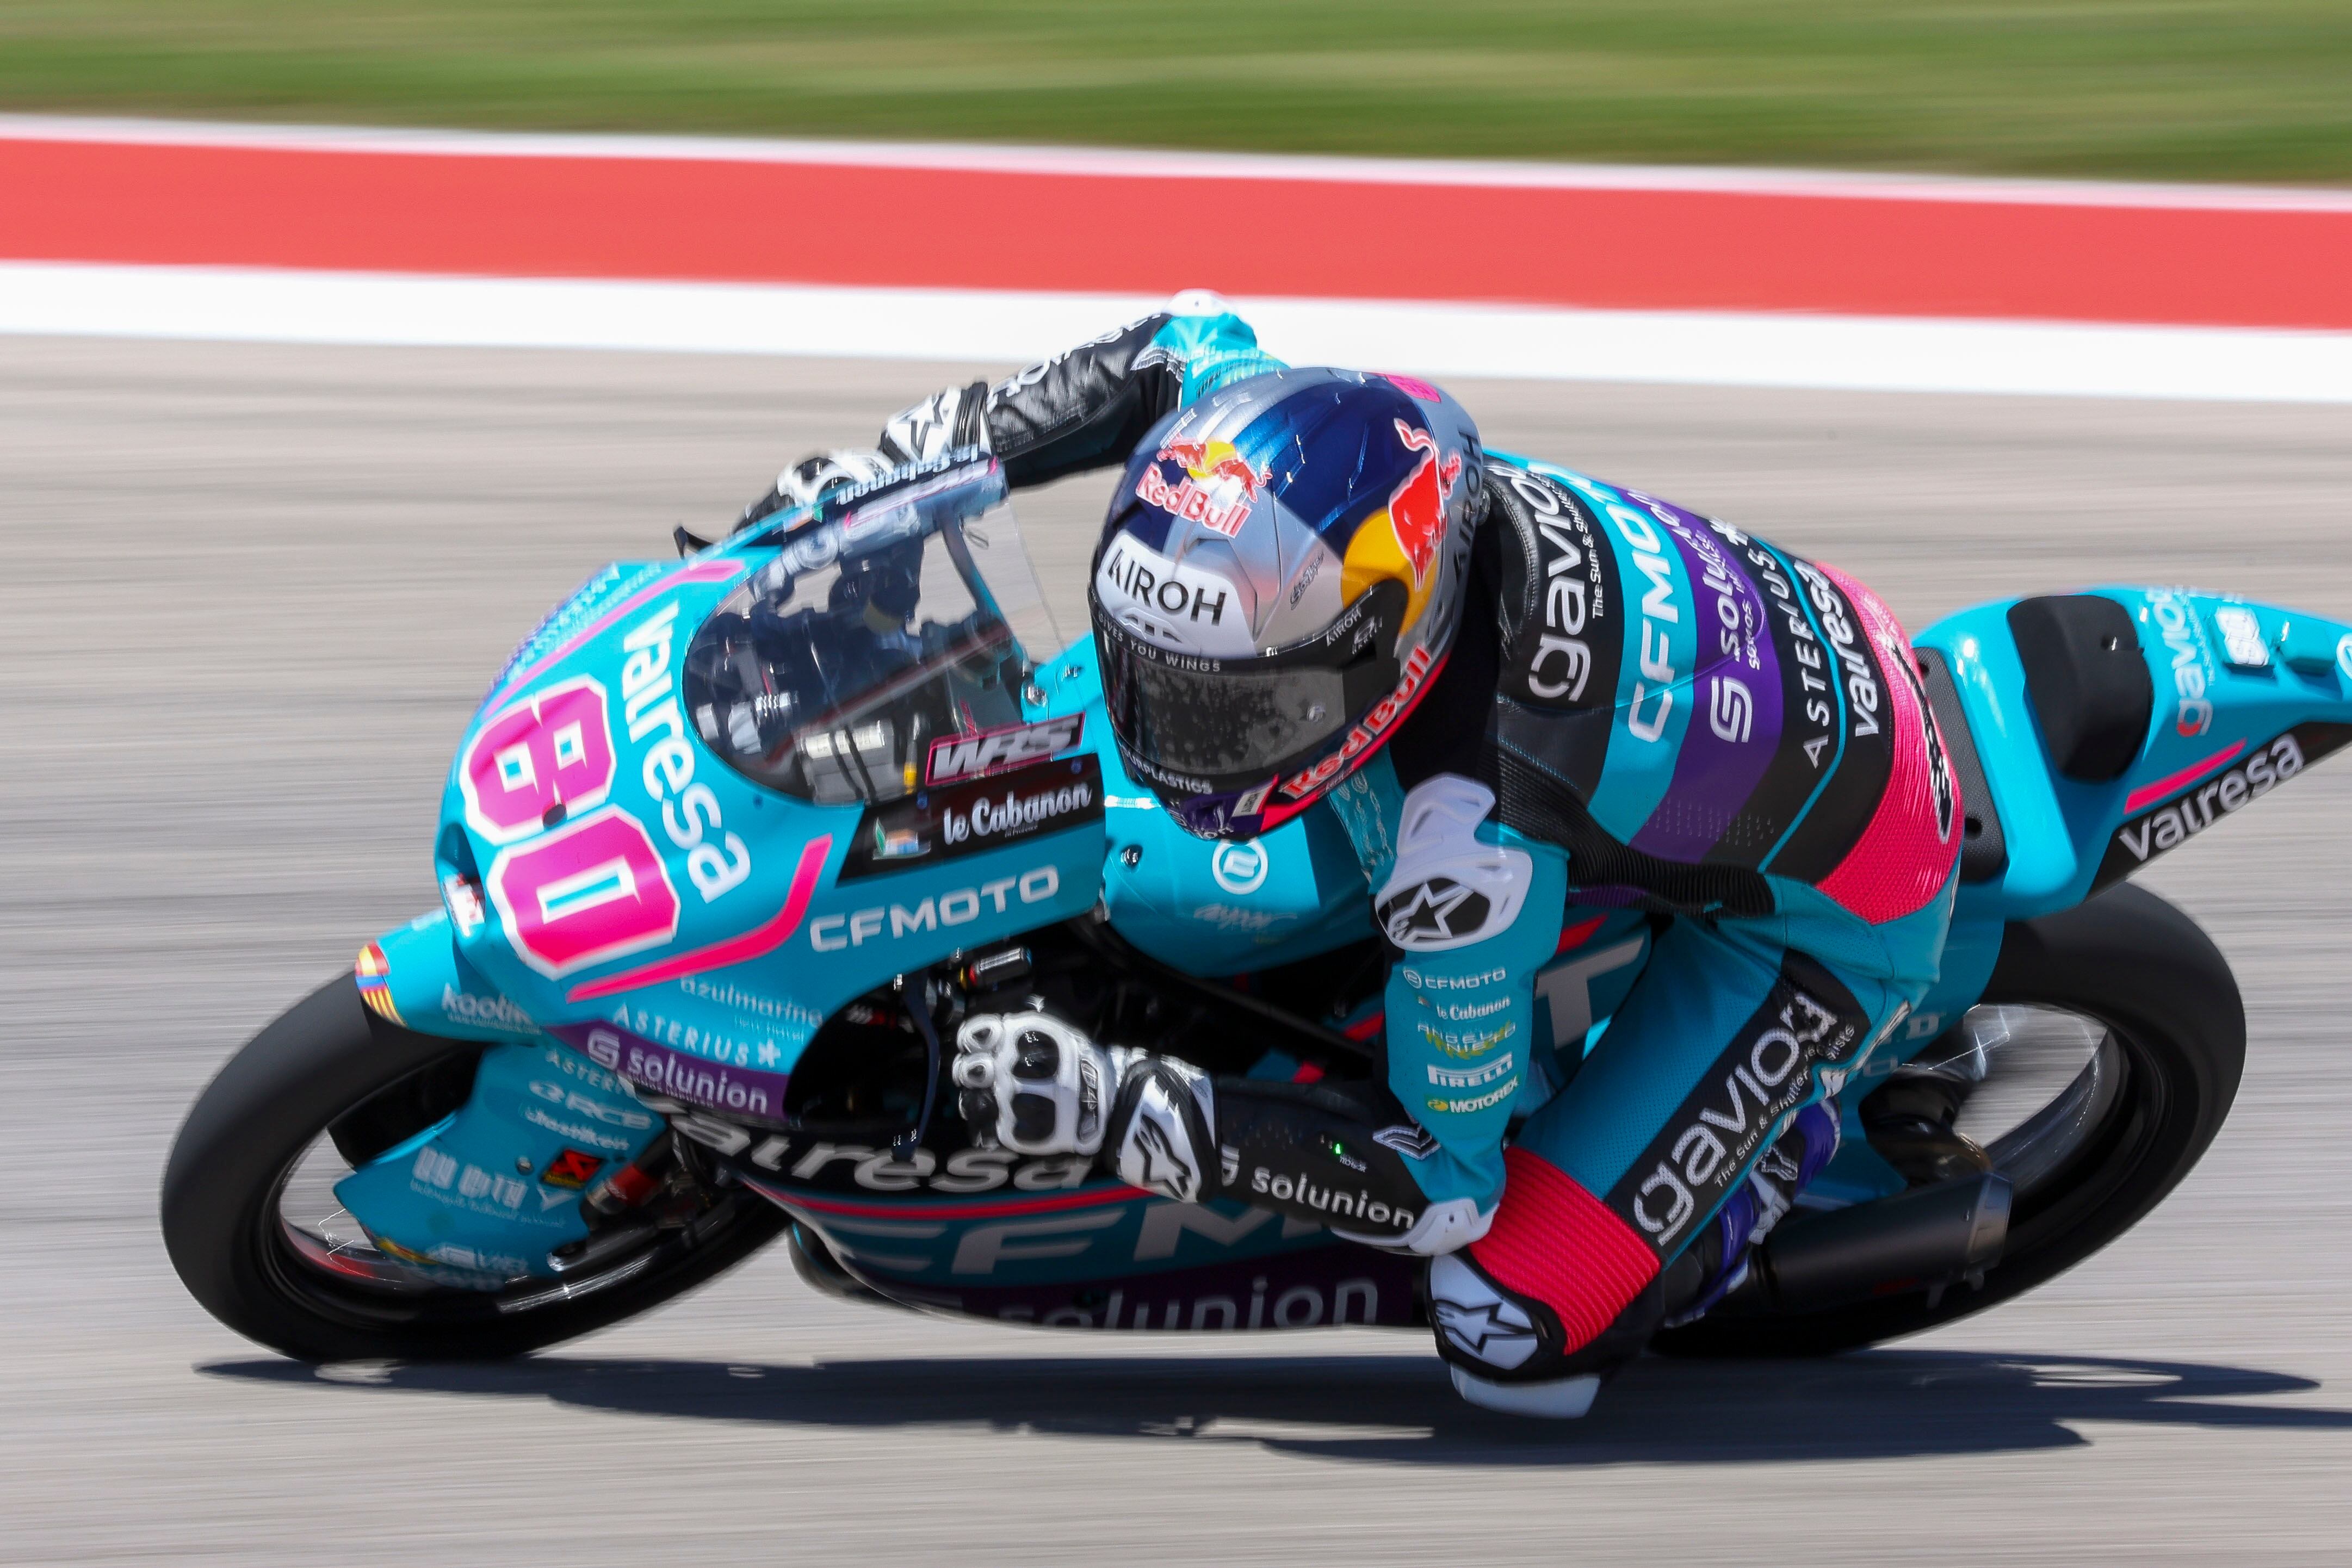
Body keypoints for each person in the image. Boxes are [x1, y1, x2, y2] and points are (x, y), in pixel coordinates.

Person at [748, 293, 1972, 1416]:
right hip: (1785, 664)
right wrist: (893, 474)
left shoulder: (1463, 848)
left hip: (1838, 904)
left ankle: (1767, 1164)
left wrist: (1125, 1103)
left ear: (1375, 662)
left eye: (1230, 714)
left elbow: (1441, 1175)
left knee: (1504, 1330)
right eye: (1151, 677)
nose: (1166, 738)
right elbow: (1175, 339)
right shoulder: (1290, 448)